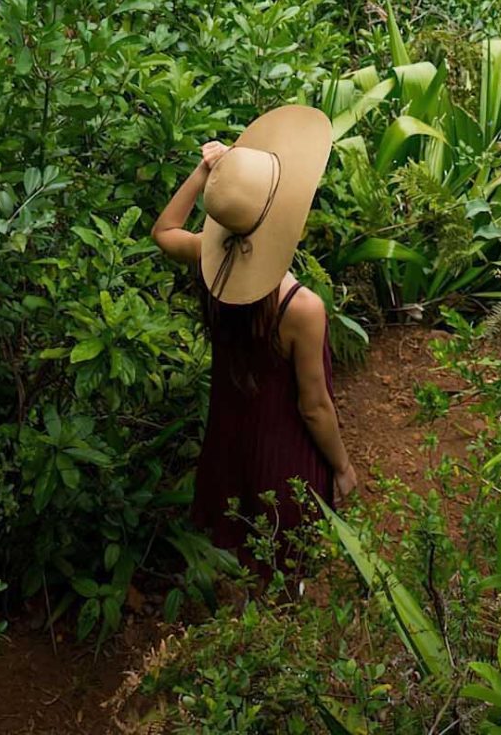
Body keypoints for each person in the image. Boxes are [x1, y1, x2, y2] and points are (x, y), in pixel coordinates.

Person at [152, 103, 358, 564]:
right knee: (286, 570)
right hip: (282, 456)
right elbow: (314, 407)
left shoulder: (212, 259)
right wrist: (342, 467)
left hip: (230, 440)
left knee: (245, 554)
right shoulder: (301, 307)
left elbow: (164, 230)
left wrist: (207, 172)